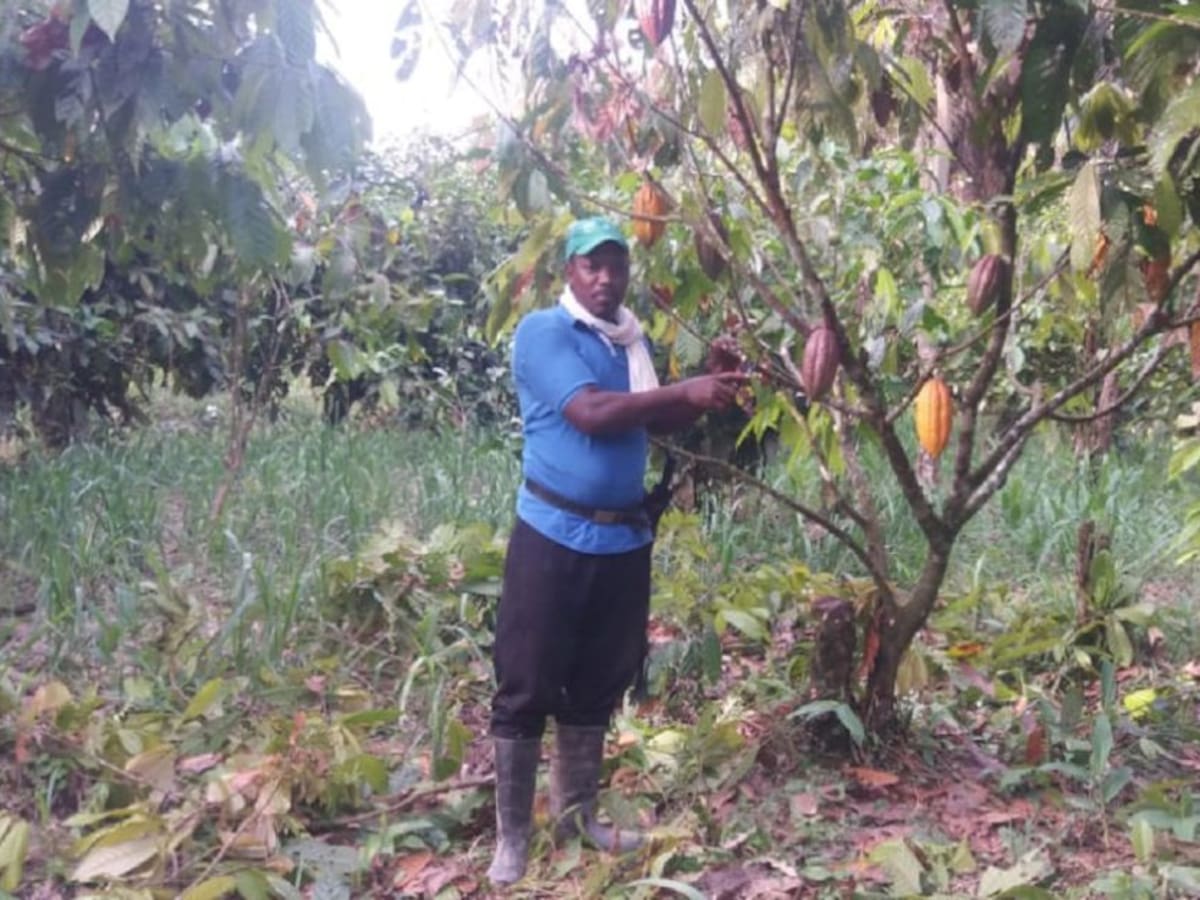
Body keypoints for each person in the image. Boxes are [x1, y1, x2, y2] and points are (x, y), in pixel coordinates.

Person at [487, 216, 747, 885]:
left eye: (616, 266)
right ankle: (512, 838)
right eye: (590, 265)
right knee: (526, 683)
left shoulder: (630, 341)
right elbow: (594, 414)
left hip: (622, 538)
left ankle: (576, 817)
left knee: (597, 682)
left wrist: (705, 388)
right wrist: (682, 391)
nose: (605, 279)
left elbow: (654, 414)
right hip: (551, 534)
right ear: (568, 273)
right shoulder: (544, 333)